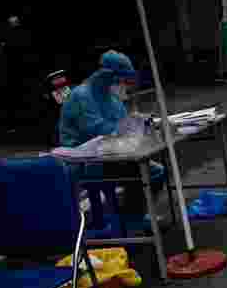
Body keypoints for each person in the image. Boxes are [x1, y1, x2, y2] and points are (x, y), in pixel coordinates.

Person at [59, 50, 165, 227]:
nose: (123, 85)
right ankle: (130, 219)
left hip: (113, 155)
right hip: (84, 160)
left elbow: (123, 124)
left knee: (156, 171)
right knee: (140, 171)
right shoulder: (82, 96)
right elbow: (96, 131)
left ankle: (133, 216)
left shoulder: (111, 98)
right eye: (121, 80)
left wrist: (141, 124)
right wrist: (130, 126)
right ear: (108, 76)